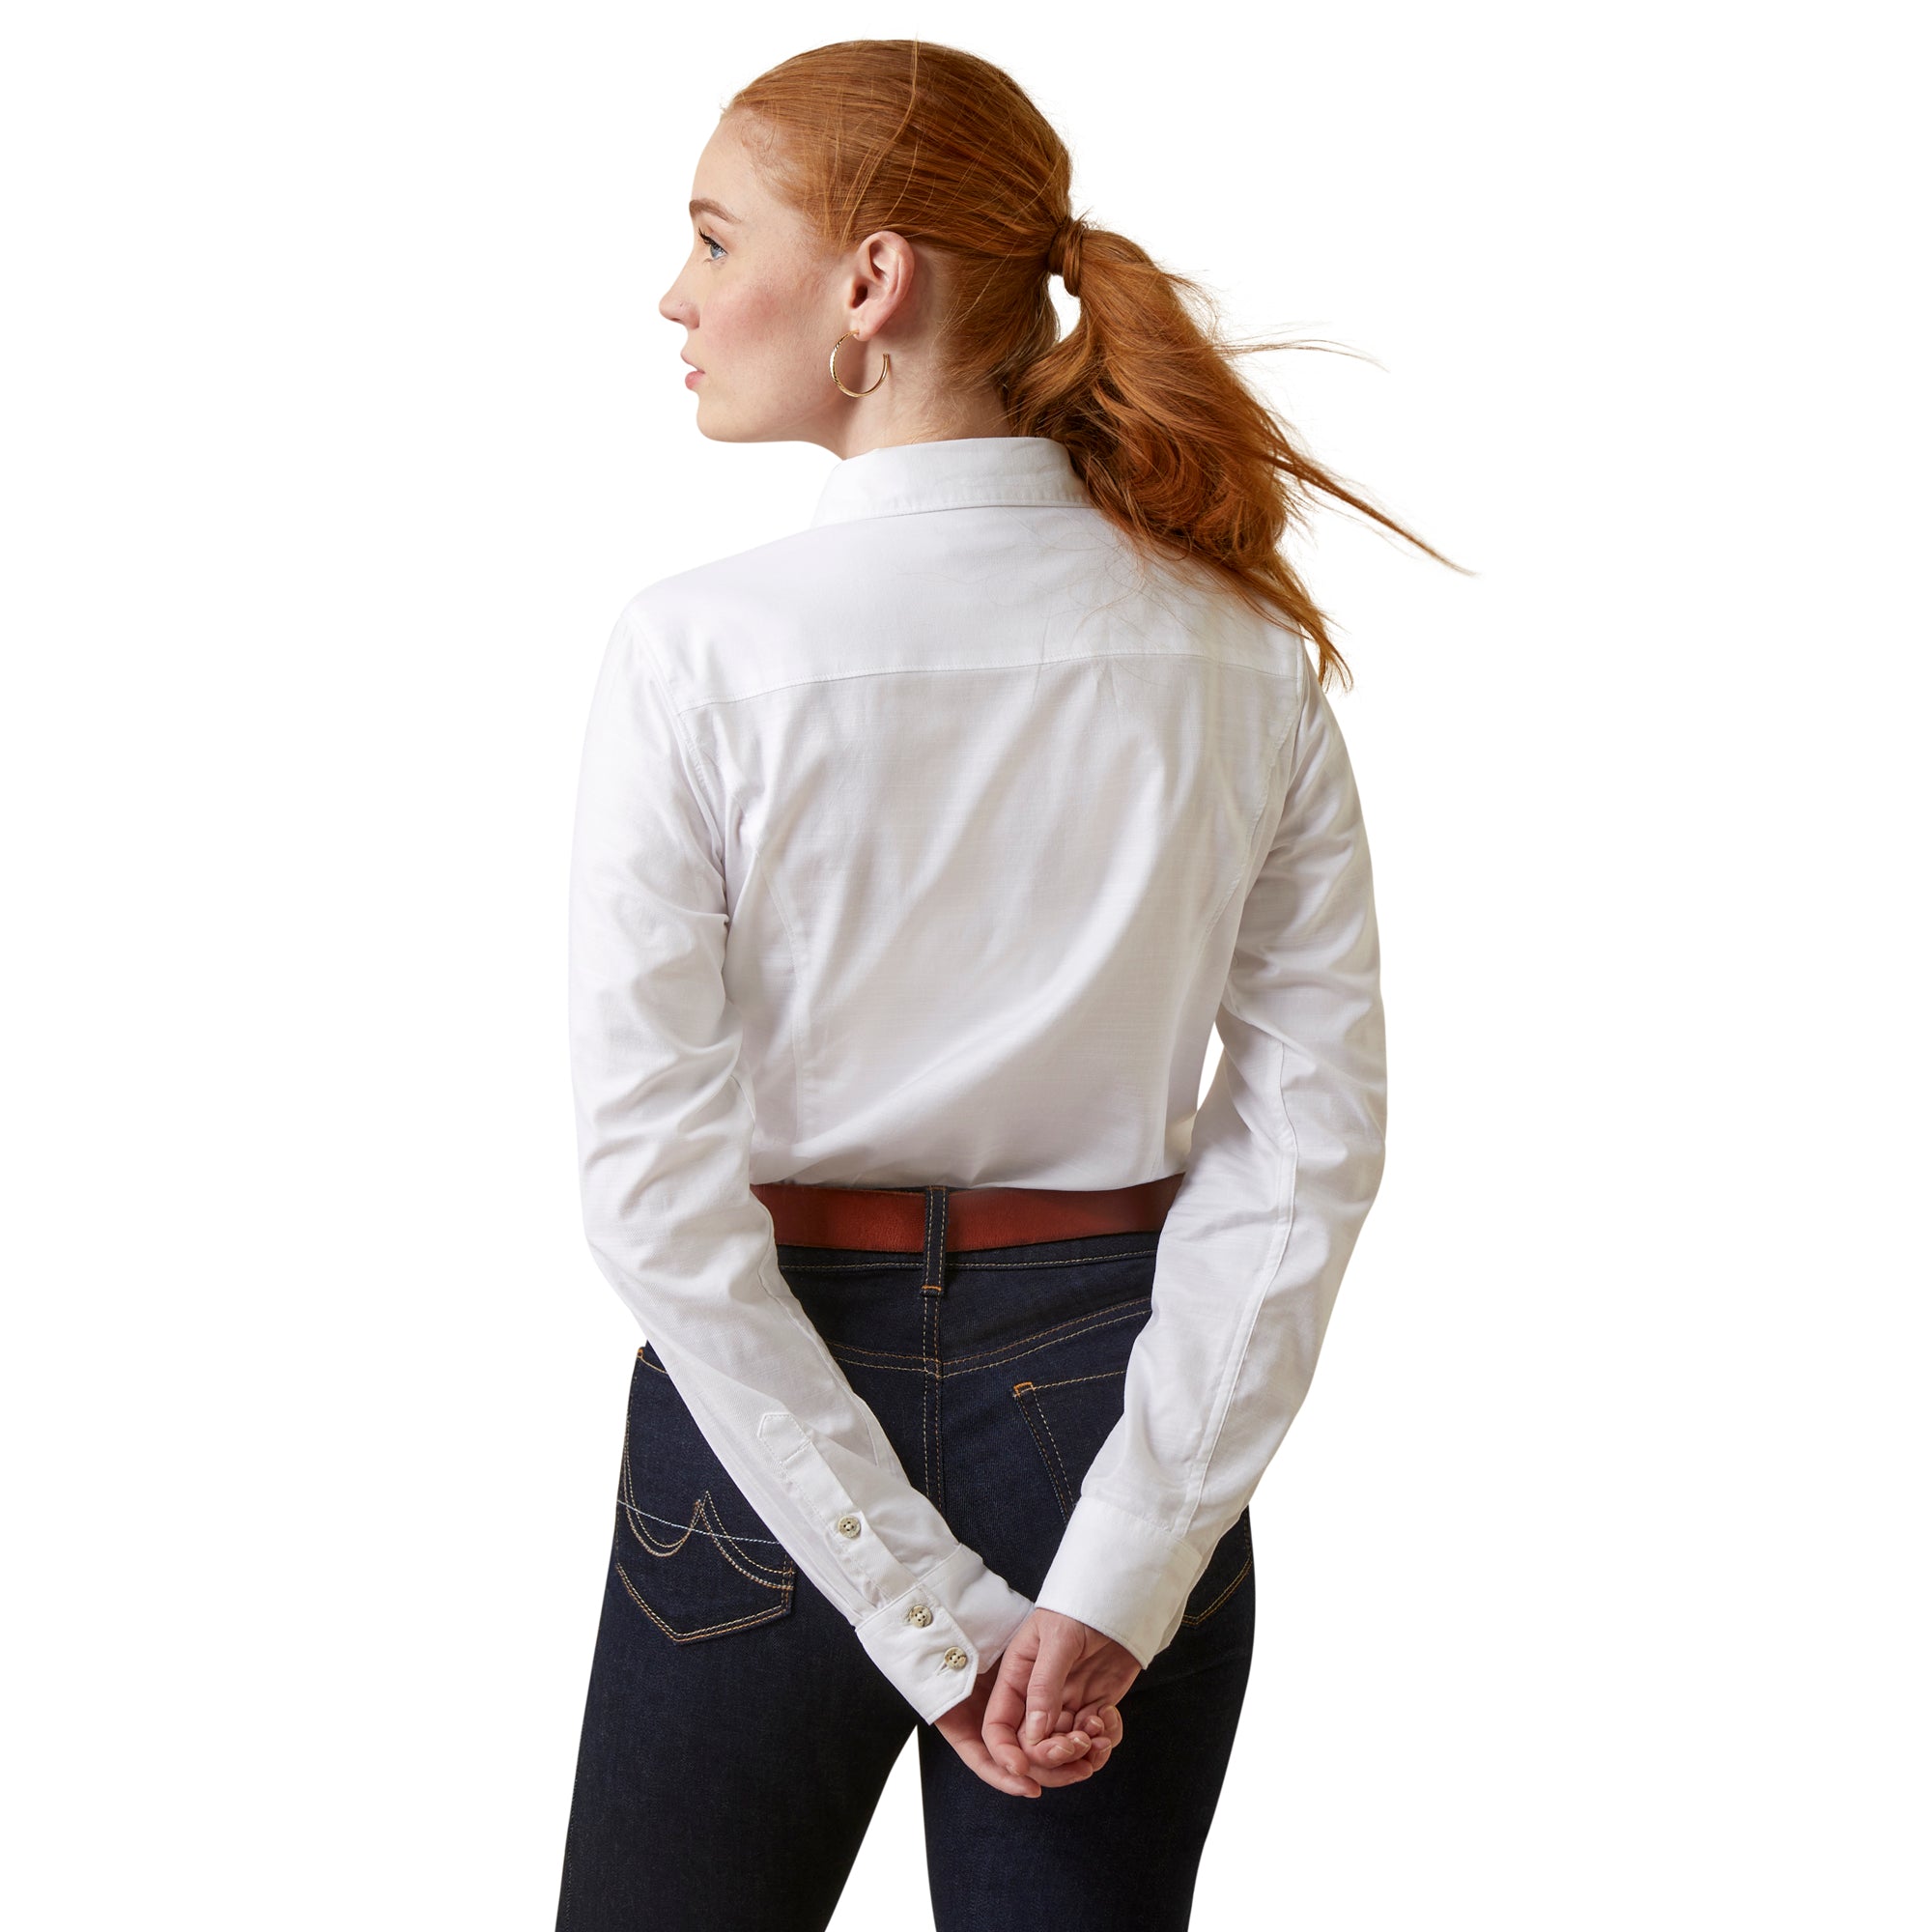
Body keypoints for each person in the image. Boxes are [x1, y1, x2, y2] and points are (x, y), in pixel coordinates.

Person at [554, 37, 1456, 1932]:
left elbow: (656, 1193)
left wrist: (923, 1611)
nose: (676, 297)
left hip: (762, 1413)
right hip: (1122, 1404)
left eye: (715, 239)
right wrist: (1121, 1568)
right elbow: (1310, 1144)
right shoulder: (1239, 652)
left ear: (869, 283)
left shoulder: (697, 654)